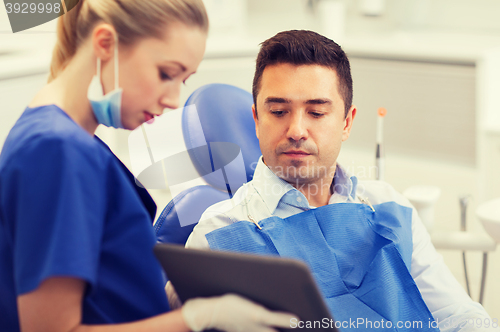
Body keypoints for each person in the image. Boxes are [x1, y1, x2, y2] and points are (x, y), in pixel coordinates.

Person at [0, 1, 296, 331]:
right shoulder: (58, 151)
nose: (173, 100)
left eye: (182, 81)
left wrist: (175, 298)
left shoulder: (65, 139)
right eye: (166, 74)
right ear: (105, 44)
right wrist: (194, 320)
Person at [185, 30, 498, 332]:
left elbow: (456, 314)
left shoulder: (389, 207)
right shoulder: (219, 235)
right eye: (279, 111)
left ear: (346, 122)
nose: (296, 130)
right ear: (256, 119)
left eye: (317, 113)